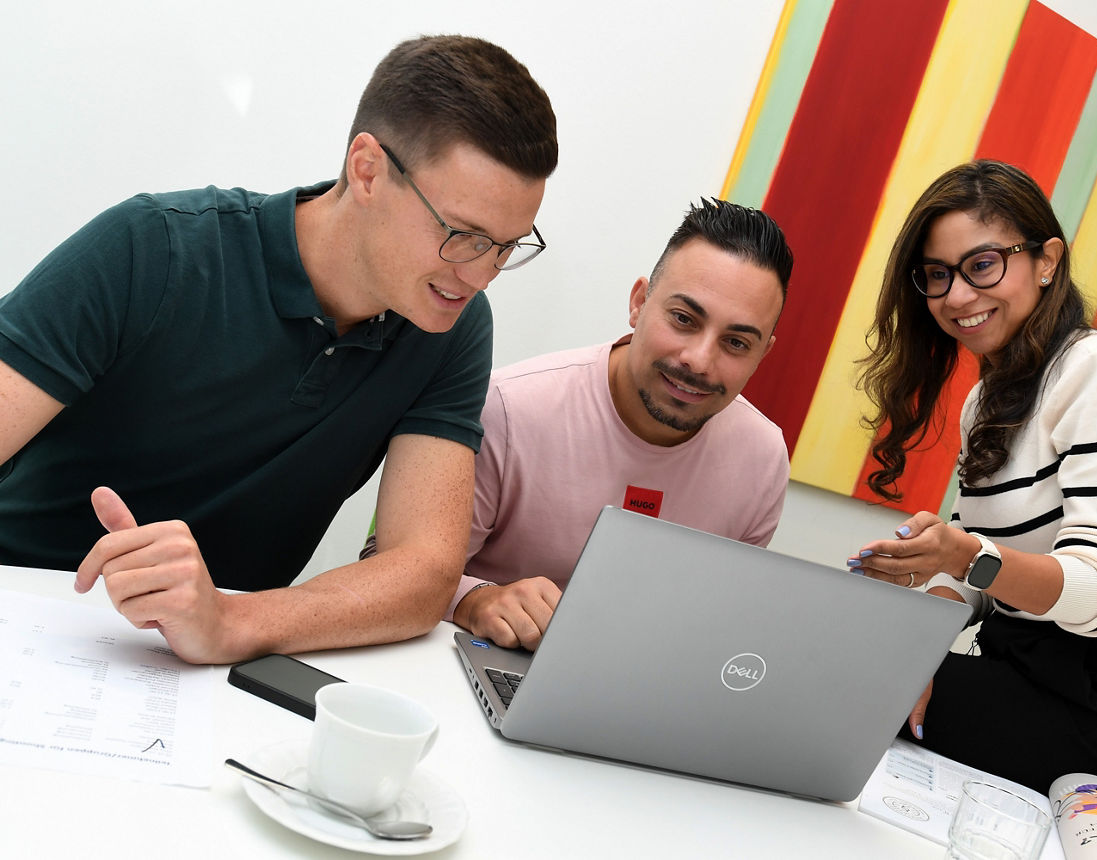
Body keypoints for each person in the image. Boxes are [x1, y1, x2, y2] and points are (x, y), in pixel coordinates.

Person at [0, 35, 558, 665]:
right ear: (368, 170)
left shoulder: (451, 325)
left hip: (207, 676)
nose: (480, 275)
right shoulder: (151, 249)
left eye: (508, 247)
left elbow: (422, 573)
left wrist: (231, 621)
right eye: (463, 235)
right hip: (24, 616)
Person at [850, 160, 1097, 797]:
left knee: (844, 686)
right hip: (1020, 666)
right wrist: (916, 644)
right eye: (936, 276)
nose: (956, 296)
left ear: (1047, 260)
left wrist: (966, 555)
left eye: (982, 265)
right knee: (868, 669)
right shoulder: (987, 401)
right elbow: (971, 572)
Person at [367, 199, 793, 650]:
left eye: (736, 342)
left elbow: (718, 625)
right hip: (474, 670)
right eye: (684, 319)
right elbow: (385, 565)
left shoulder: (763, 459)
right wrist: (477, 600)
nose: (699, 361)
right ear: (639, 303)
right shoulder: (507, 408)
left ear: (763, 353)